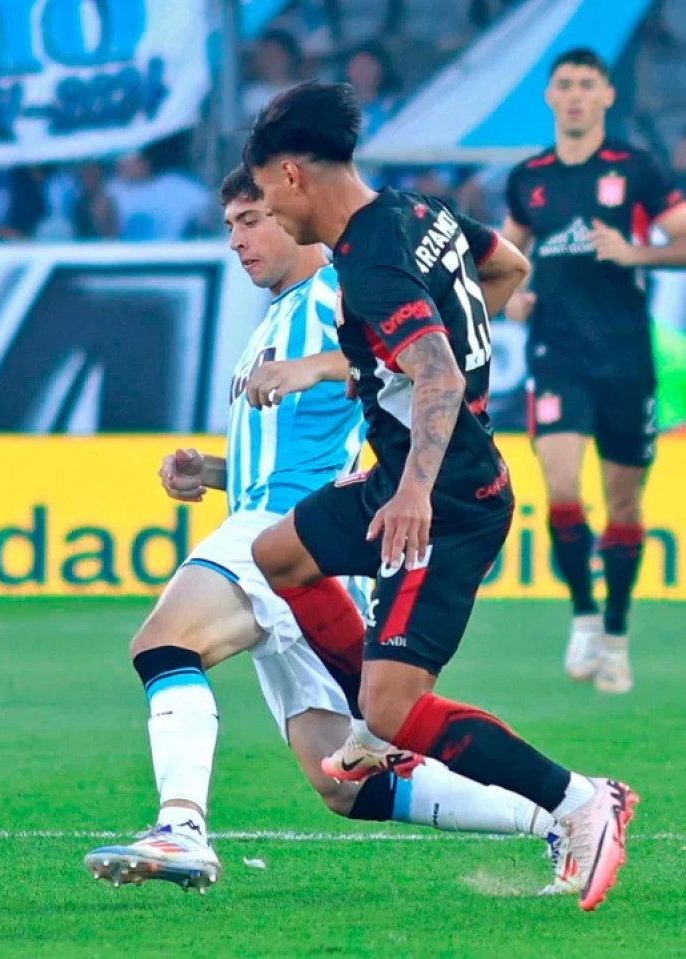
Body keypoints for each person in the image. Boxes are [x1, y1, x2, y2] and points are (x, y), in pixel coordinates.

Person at [83, 166, 565, 896]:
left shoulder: (336, 288)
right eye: (230, 227)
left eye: (253, 218)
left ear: (293, 208)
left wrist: (316, 366)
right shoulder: (275, 316)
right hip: (292, 540)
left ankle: (180, 826)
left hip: (290, 538)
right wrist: (211, 471)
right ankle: (559, 813)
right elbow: (315, 430)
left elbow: (406, 350)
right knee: (344, 782)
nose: (239, 239)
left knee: (163, 642)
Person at [244, 81, 637, 913]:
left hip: (448, 499)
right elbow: (507, 266)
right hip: (402, 475)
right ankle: (367, 731)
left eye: (265, 200)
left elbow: (435, 371)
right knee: (278, 553)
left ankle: (580, 802)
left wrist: (417, 486)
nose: (269, 218)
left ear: (290, 176)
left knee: (394, 707)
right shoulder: (418, 212)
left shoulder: (371, 264)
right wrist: (437, 369)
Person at [501, 48, 686, 693]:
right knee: (559, 487)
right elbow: (502, 258)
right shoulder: (528, 177)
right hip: (557, 353)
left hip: (626, 356)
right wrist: (510, 299)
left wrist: (635, 251)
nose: (575, 95)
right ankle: (582, 613)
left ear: (607, 95)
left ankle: (615, 629)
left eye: (587, 84)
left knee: (624, 500)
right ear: (549, 98)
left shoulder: (635, 169)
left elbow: (682, 237)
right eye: (565, 86)